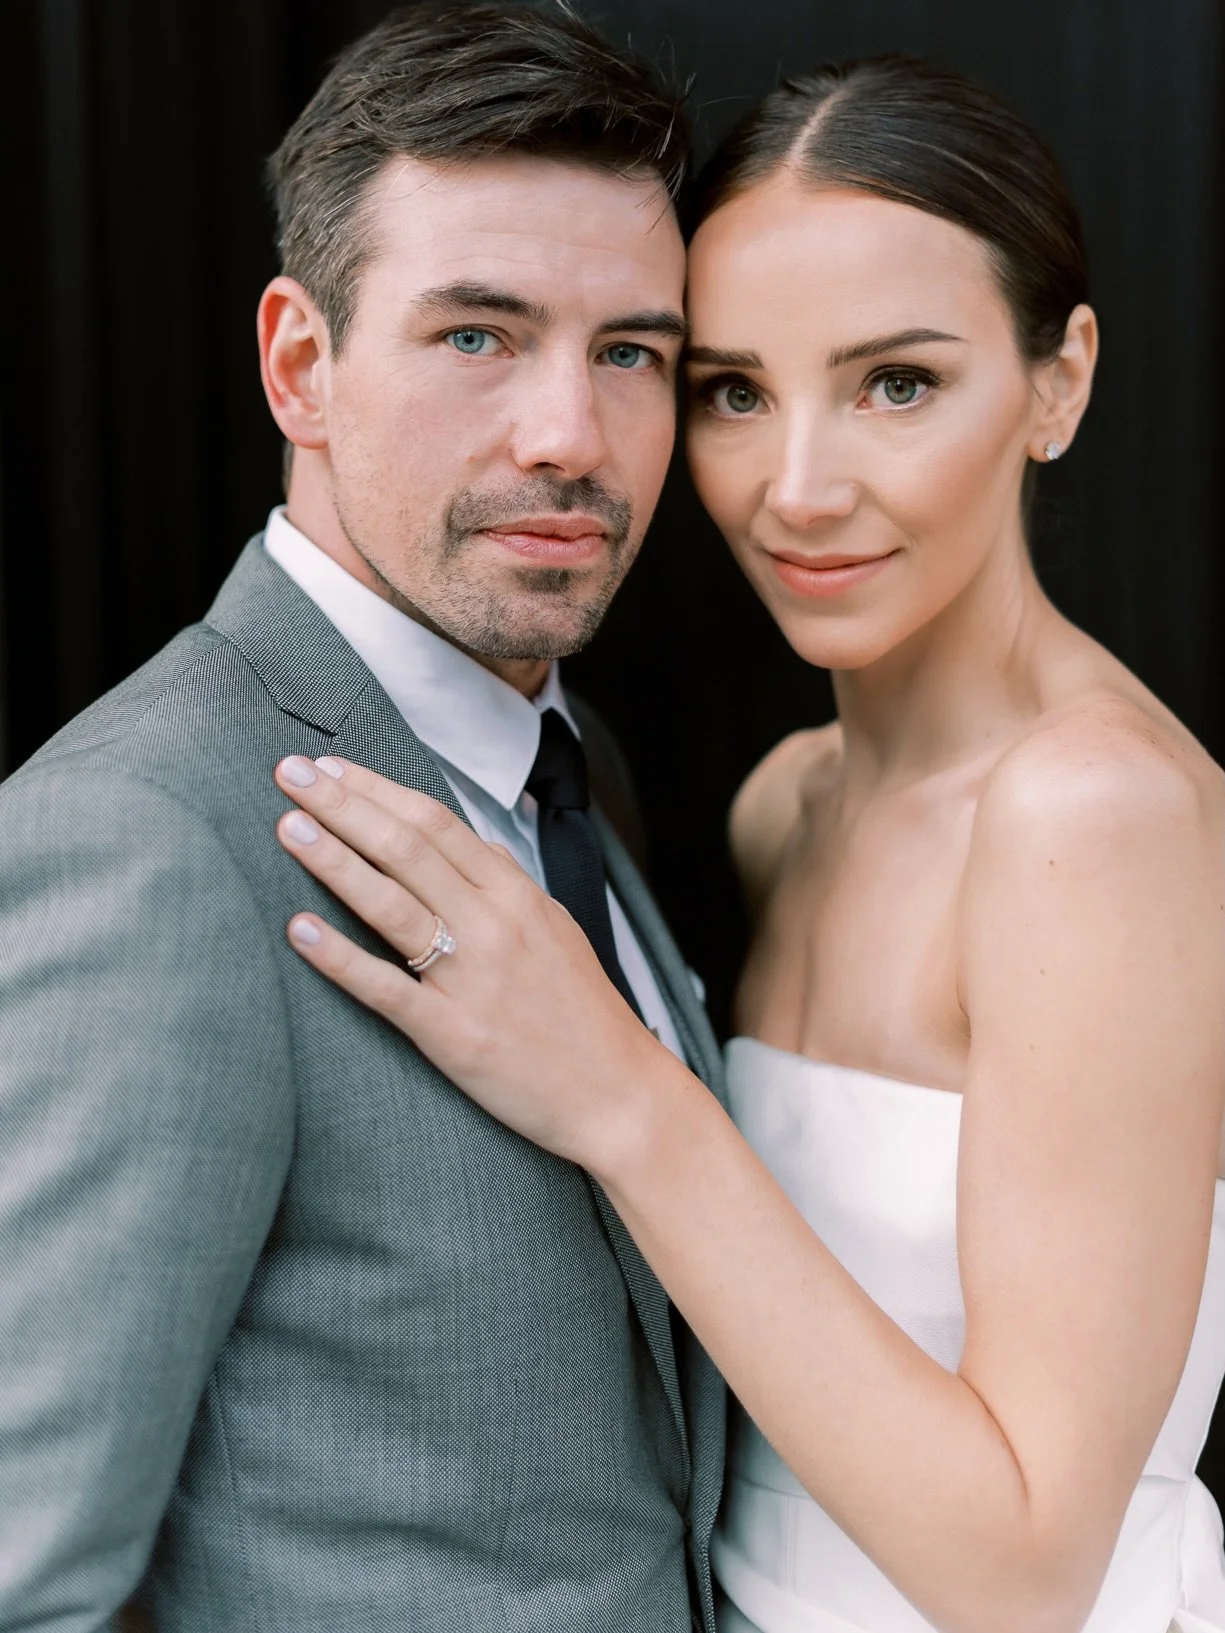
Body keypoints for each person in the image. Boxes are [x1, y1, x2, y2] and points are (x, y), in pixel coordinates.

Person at [271, 56, 1225, 1633]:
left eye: (898, 384)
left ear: (1058, 383)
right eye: (733, 390)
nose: (799, 488)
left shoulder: (1092, 817)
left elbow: (1027, 1568)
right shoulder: (788, 801)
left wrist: (617, 1091)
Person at [0, 6, 729, 1629]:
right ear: (300, 364)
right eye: (478, 335)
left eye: (632, 353)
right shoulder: (142, 841)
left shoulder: (573, 763)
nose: (570, 436)